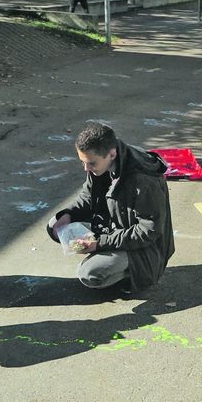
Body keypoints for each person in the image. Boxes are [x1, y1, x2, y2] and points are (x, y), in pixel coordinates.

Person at [47, 123, 174, 291]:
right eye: (83, 162)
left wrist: (99, 243)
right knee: (55, 226)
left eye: (91, 164)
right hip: (112, 227)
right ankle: (107, 257)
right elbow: (88, 196)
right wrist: (68, 214)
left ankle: (131, 275)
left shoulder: (143, 181)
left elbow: (148, 231)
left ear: (112, 154)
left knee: (89, 274)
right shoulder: (102, 159)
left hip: (144, 248)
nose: (86, 169)